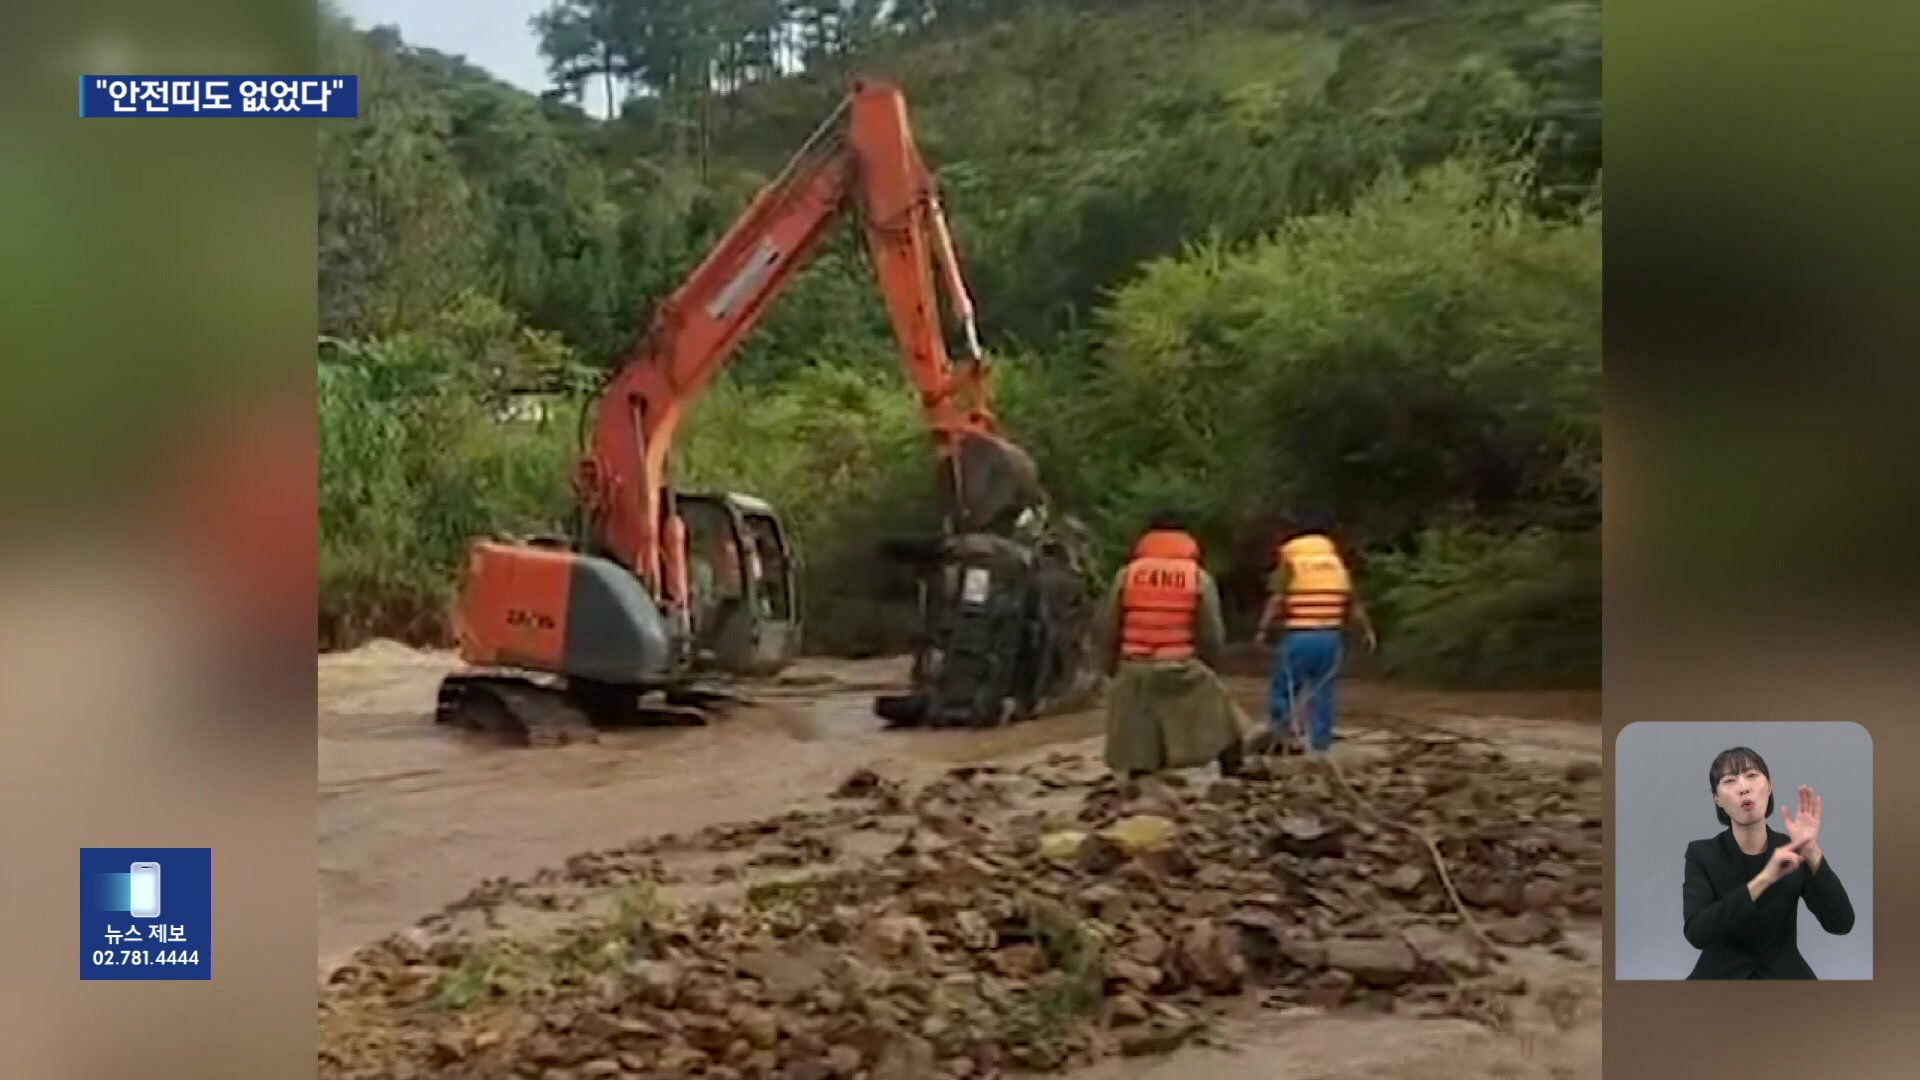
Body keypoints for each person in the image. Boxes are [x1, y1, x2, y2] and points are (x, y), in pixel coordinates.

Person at [1091, 511, 1246, 779]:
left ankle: (1142, 779)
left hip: (1135, 665)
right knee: (1223, 715)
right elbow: (1210, 631)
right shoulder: (1196, 577)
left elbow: (1108, 626)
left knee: (1139, 730)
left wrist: (1109, 667)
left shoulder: (1127, 575)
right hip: (1180, 666)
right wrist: (1210, 662)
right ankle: (1232, 768)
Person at [1682, 746, 1854, 979]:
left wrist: (1811, 850)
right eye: (1730, 780)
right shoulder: (1702, 853)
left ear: (1769, 786)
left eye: (1752, 775)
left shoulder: (1793, 850)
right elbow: (1697, 933)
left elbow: (1841, 923)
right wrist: (1765, 879)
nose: (1744, 788)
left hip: (1785, 976)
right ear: (1717, 799)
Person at [1254, 516, 1375, 757]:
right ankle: (1321, 744)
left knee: (1285, 688)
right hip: (1330, 637)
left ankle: (1283, 737)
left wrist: (1263, 630)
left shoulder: (1292, 562)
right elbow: (1353, 604)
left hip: (1300, 636)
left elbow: (1278, 599)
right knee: (1324, 691)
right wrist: (1367, 631)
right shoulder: (1336, 565)